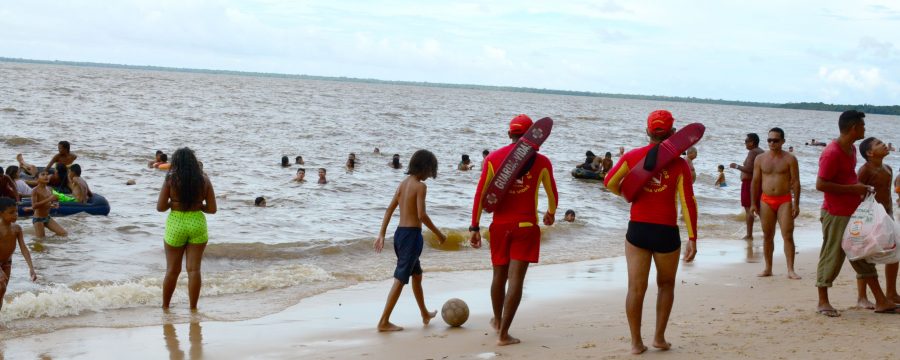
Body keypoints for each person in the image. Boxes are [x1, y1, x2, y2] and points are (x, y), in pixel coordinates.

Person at [604, 109, 697, 354]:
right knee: (666, 285)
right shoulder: (679, 164)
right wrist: (693, 237)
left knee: (636, 288)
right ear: (673, 133)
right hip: (666, 232)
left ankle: (636, 343)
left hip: (638, 230)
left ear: (647, 131)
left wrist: (628, 193)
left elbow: (609, 182)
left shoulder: (632, 156)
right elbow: (688, 202)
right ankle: (659, 338)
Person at [469, 114, 558, 346]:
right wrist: (551, 212)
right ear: (531, 136)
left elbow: (481, 194)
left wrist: (474, 226)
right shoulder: (542, 162)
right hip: (526, 226)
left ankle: (498, 321)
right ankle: (504, 334)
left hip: (499, 227)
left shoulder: (493, 158)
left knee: (499, 275)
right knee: (516, 279)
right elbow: (552, 194)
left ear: (509, 134)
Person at [815, 110, 897, 316]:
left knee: (862, 253)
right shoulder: (831, 152)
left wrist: (860, 189)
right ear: (853, 128)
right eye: (862, 126)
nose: (864, 129)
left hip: (853, 212)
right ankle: (822, 301)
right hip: (835, 212)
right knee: (832, 254)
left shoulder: (851, 149)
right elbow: (821, 184)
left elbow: (848, 179)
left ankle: (880, 300)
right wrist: (855, 189)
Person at [373, 149, 446, 331]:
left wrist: (381, 234)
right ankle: (383, 321)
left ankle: (424, 313)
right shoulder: (420, 186)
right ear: (425, 167)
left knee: (417, 275)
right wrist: (439, 234)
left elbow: (389, 209)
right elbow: (422, 215)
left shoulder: (403, 184)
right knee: (400, 278)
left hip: (400, 234)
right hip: (412, 237)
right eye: (431, 170)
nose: (430, 174)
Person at [157, 147, 217, 310]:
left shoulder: (170, 179)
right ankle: (193, 308)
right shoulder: (204, 179)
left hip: (176, 223)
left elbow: (160, 207)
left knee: (172, 270)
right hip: (196, 223)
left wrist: (174, 203)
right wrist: (198, 205)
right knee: (194, 270)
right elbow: (212, 209)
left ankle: (165, 307)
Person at [750, 128, 801, 279]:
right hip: (766, 200)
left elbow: (796, 182)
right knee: (767, 235)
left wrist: (796, 204)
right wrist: (753, 203)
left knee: (788, 234)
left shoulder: (790, 159)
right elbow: (755, 181)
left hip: (784, 200)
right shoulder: (760, 158)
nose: (772, 143)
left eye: (776, 140)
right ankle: (768, 268)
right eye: (769, 140)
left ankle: (790, 269)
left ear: (783, 141)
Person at [855, 137, 900, 307]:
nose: (884, 144)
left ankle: (891, 292)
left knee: (895, 253)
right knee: (866, 255)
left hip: (887, 216)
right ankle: (862, 297)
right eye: (879, 144)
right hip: (871, 217)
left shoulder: (888, 168)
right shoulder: (865, 170)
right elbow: (858, 192)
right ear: (870, 153)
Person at [0, 197, 38, 312]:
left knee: (2, 291)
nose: (15, 214)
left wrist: (31, 268)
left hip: (7, 263)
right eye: (11, 212)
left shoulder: (17, 229)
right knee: (0, 287)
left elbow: (24, 249)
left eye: (16, 211)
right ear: (1, 213)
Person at [730, 133, 765, 240]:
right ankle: (767, 231)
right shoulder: (762, 151)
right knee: (759, 209)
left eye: (746, 141)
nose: (745, 143)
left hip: (749, 183)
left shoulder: (753, 152)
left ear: (752, 142)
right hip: (758, 183)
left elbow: (749, 169)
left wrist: (736, 166)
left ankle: (749, 235)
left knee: (749, 209)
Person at [23, 170, 67, 238]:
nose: (46, 176)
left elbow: (48, 204)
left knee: (63, 233)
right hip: (38, 219)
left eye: (47, 174)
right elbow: (34, 206)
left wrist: (53, 205)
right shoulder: (35, 190)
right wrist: (49, 199)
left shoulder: (49, 189)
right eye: (43, 174)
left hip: (47, 217)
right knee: (41, 241)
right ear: (37, 179)